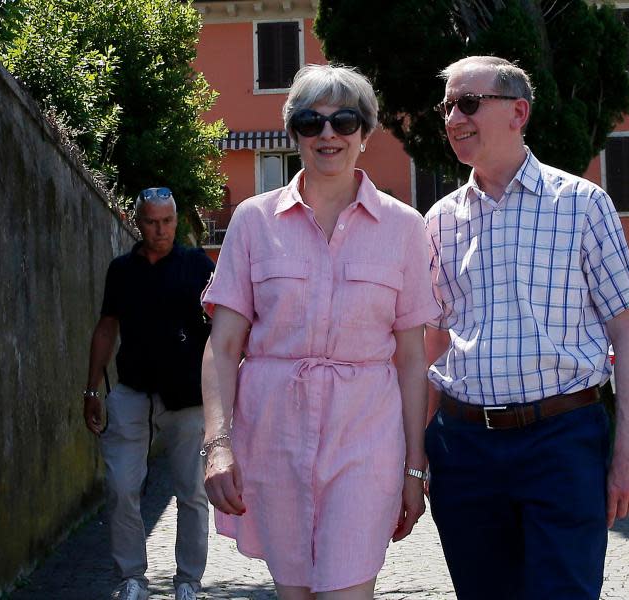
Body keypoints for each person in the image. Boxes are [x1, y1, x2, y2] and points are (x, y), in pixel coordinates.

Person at [200, 64, 439, 600]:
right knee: (296, 594)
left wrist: (414, 468)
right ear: (294, 134)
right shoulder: (252, 221)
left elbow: (410, 359)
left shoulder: (405, 227)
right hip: (274, 437)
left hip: (366, 437)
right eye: (311, 123)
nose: (328, 134)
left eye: (344, 121)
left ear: (365, 132)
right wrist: (217, 446)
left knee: (345, 592)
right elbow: (224, 344)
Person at [423, 56, 629, 600]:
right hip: (464, 449)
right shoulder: (437, 221)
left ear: (517, 112)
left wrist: (628, 453)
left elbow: (627, 331)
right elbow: (428, 348)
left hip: (562, 440)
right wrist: (412, 460)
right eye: (448, 106)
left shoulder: (583, 205)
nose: (454, 118)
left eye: (469, 103)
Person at [83, 187, 214, 600]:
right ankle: (131, 578)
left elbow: (224, 328)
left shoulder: (197, 265)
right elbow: (107, 327)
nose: (161, 230)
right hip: (132, 389)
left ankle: (188, 581)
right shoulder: (121, 270)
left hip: (188, 396)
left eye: (168, 221)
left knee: (191, 491)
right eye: (152, 222)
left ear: (176, 220)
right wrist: (91, 388)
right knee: (121, 486)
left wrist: (225, 388)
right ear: (137, 223)